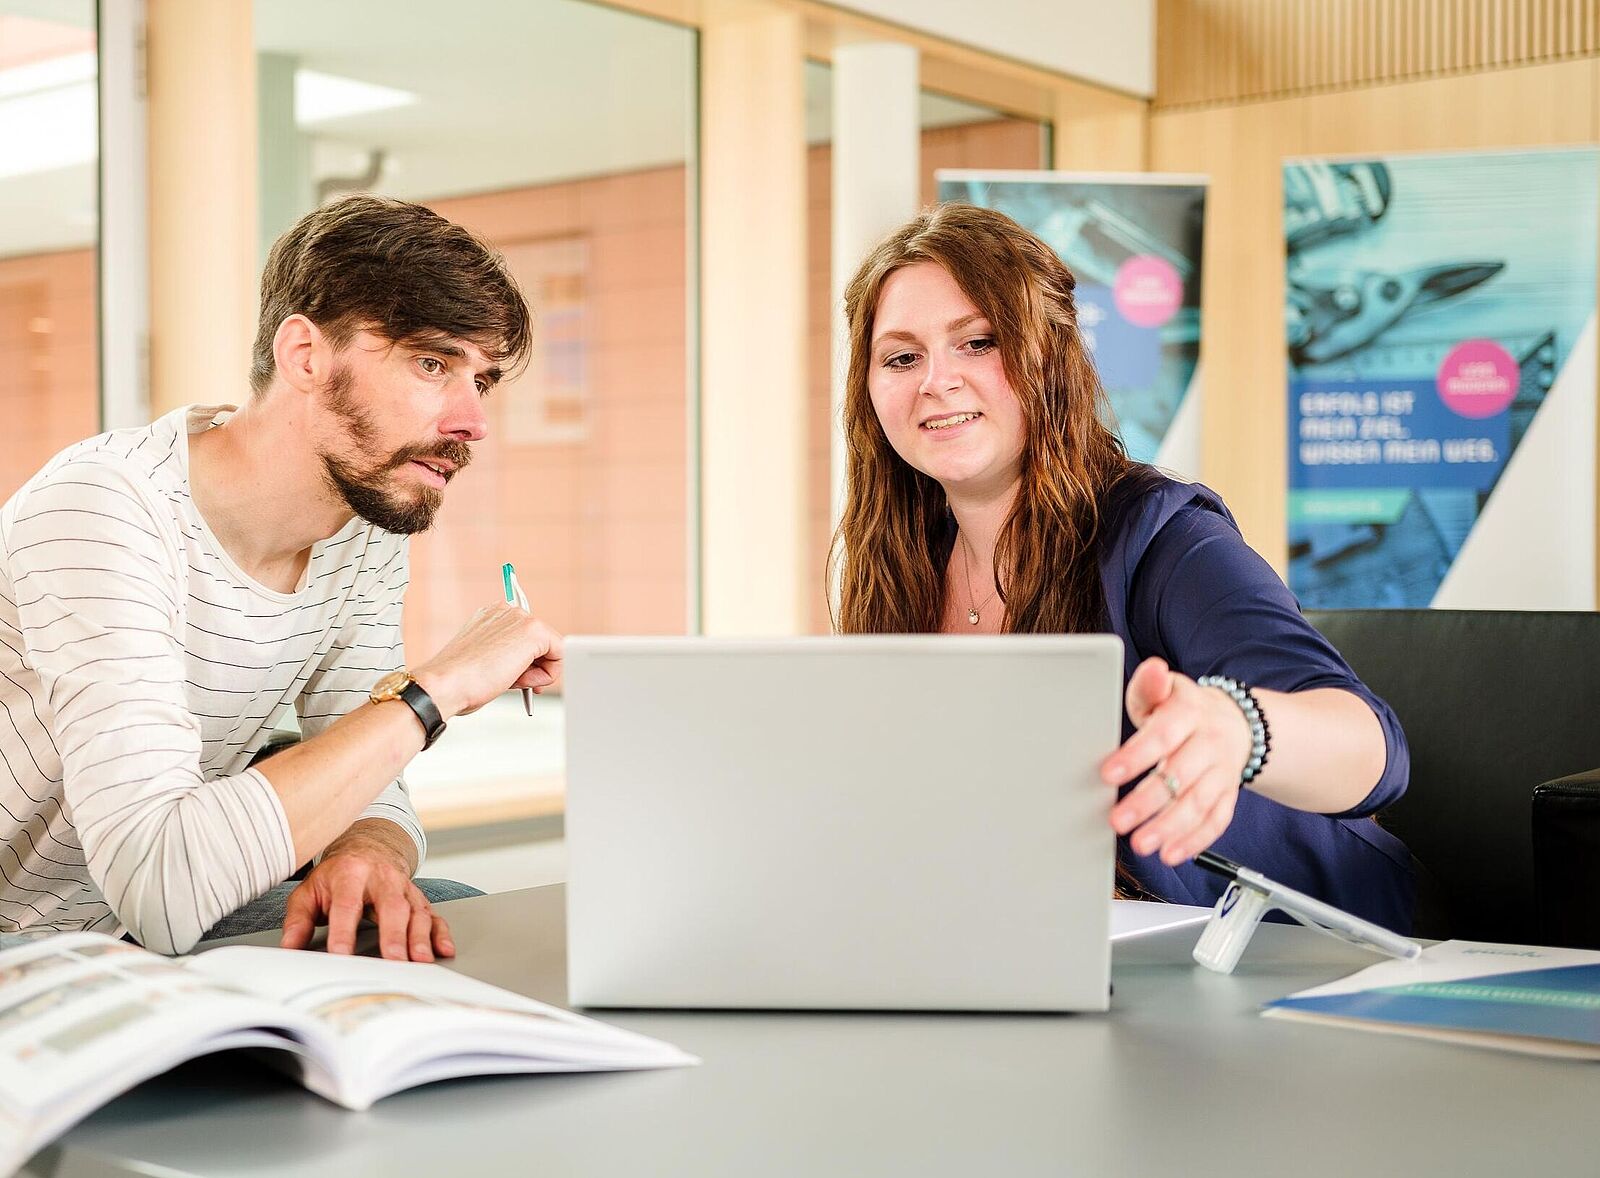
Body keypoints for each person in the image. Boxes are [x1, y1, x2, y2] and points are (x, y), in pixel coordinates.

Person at [0, 195, 562, 960]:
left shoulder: (363, 523)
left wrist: (364, 849)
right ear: (305, 356)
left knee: (430, 913)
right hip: (31, 928)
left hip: (128, 912)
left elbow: (369, 767)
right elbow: (161, 882)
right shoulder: (104, 505)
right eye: (433, 362)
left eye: (483, 381)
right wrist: (438, 689)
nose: (473, 422)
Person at [831, 202, 1414, 932]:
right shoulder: (897, 565)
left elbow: (1374, 750)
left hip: (1298, 960)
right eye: (902, 357)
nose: (936, 381)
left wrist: (1239, 729)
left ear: (1050, 354)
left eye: (979, 342)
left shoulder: (1161, 534)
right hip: (1054, 947)